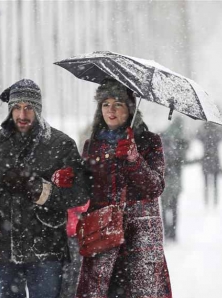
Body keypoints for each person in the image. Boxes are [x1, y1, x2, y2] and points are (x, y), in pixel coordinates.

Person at [0, 79, 90, 298]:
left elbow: (80, 192)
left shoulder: (61, 144)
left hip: (47, 248)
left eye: (29, 108)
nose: (22, 115)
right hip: (2, 247)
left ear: (38, 109)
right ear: (9, 109)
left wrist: (40, 189)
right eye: (17, 107)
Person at [76, 80, 172, 298]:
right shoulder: (92, 145)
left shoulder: (149, 142)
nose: (110, 110)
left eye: (117, 104)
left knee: (138, 291)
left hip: (140, 233)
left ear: (130, 109)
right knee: (102, 291)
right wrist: (68, 178)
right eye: (105, 104)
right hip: (103, 230)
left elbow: (155, 187)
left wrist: (134, 159)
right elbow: (83, 191)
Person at [160, 117, 189, 241]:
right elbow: (183, 161)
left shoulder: (163, 138)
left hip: (163, 181)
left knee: (165, 207)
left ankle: (167, 231)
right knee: (174, 207)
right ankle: (173, 233)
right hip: (175, 181)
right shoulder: (180, 141)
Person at [60, 202, 89, 298]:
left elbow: (83, 207)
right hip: (69, 234)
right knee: (70, 270)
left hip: (75, 234)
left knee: (73, 270)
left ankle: (69, 294)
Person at [197, 122, 222, 206]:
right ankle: (215, 202)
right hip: (215, 161)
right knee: (215, 184)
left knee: (206, 184)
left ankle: (206, 202)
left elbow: (197, 136)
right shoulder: (217, 133)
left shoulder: (204, 133)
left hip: (206, 161)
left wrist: (201, 127)